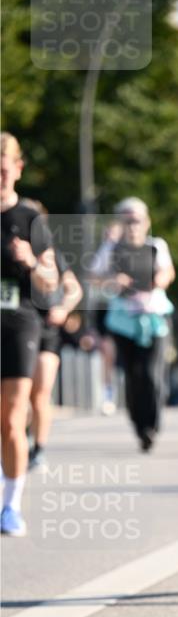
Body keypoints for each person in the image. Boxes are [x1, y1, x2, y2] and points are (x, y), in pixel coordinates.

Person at [1, 133, 59, 535]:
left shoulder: (29, 218)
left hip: (17, 320)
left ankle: (11, 504)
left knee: (11, 417)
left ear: (18, 169)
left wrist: (30, 262)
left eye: (6, 165)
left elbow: (50, 279)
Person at [90, 197, 175, 451]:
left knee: (151, 373)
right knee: (132, 374)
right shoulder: (111, 248)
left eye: (137, 219)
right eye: (127, 220)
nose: (132, 225)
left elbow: (168, 272)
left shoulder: (156, 245)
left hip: (154, 317)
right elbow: (94, 277)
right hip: (123, 320)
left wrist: (157, 280)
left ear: (146, 222)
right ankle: (140, 427)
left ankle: (153, 421)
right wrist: (114, 280)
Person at [19, 200, 84, 470]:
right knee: (18, 395)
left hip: (47, 329)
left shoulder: (51, 254)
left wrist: (63, 308)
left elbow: (74, 289)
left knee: (40, 393)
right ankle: (18, 440)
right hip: (17, 327)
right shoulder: (9, 250)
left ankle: (39, 449)